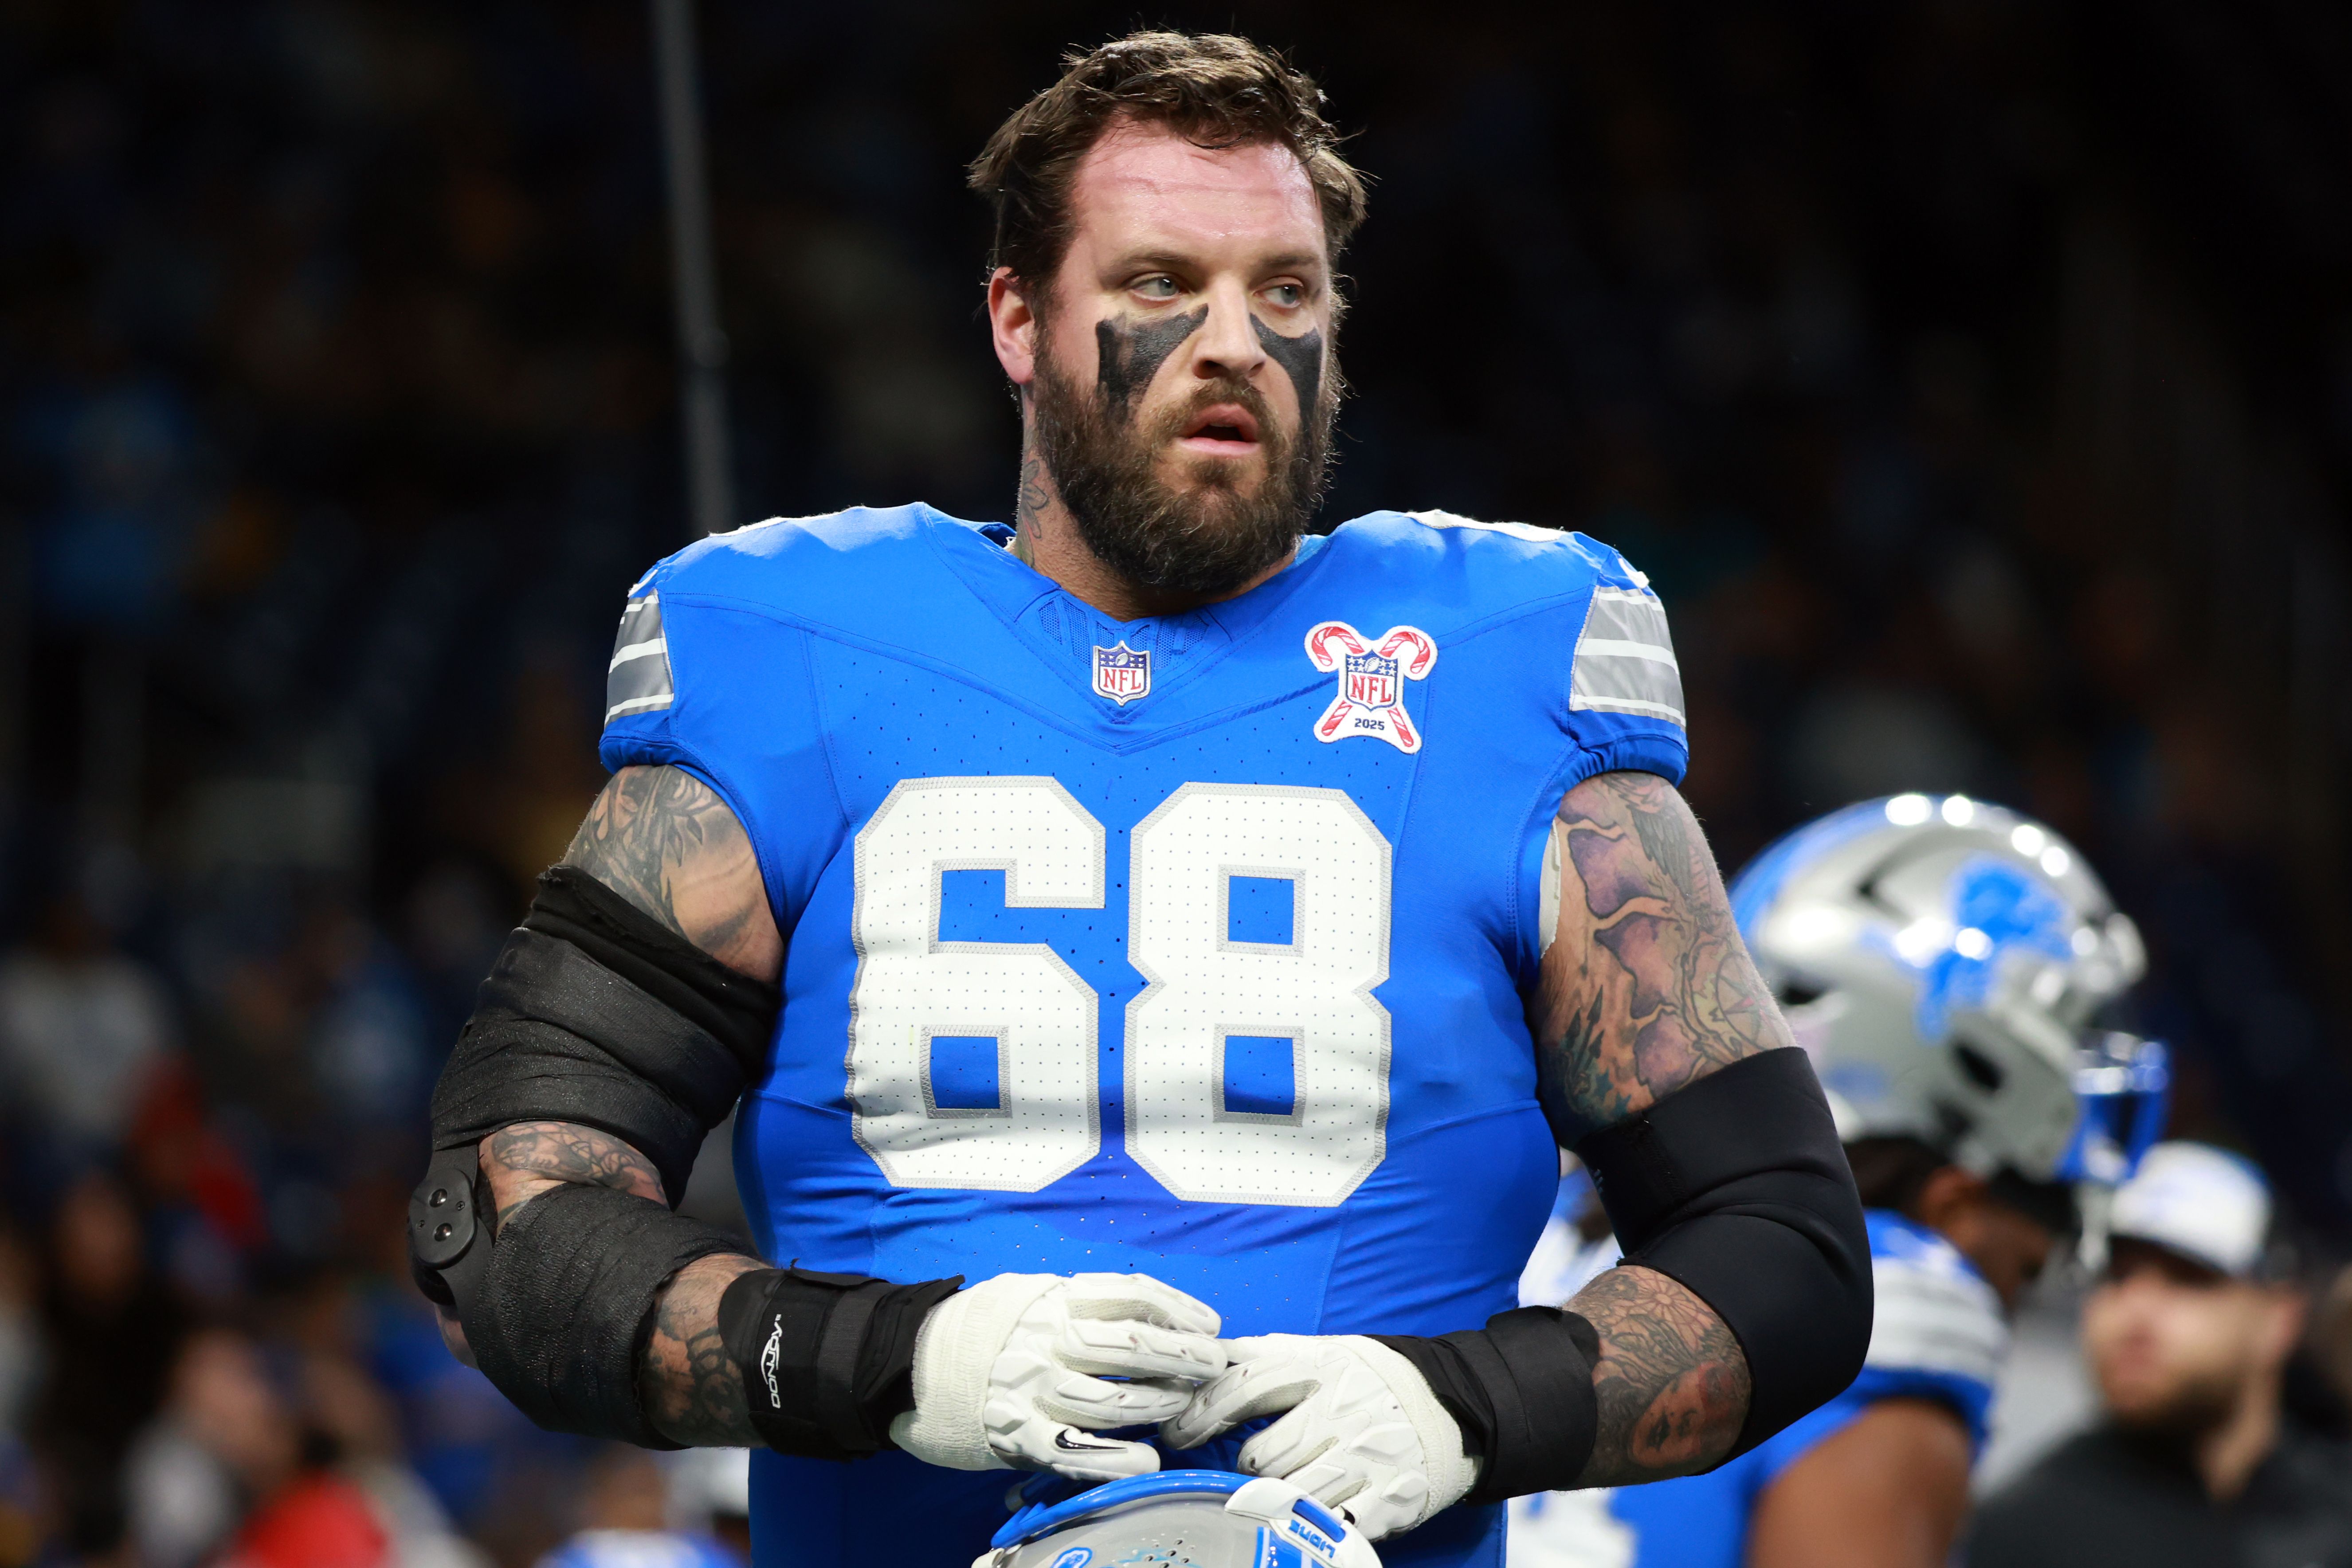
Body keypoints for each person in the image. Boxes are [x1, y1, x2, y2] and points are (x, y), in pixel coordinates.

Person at [409, 32, 1873, 1568]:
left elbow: (1784, 1241)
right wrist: (888, 1360)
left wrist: (1463, 1401)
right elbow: (501, 1219)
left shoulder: (1496, 664)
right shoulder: (804, 652)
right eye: (1161, 280)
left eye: (1285, 292)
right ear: (1018, 320)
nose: (1234, 338)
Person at [1506, 792, 2165, 1568]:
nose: (2013, 1300)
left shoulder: (1542, 1219)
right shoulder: (1906, 1306)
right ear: (1952, 1197)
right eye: (2021, 1266)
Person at [1970, 1142, 2352, 1568]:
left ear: (2280, 1319)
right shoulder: (2022, 1535)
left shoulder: (2335, 1509)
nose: (2135, 1314)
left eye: (2187, 1279)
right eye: (2117, 1276)